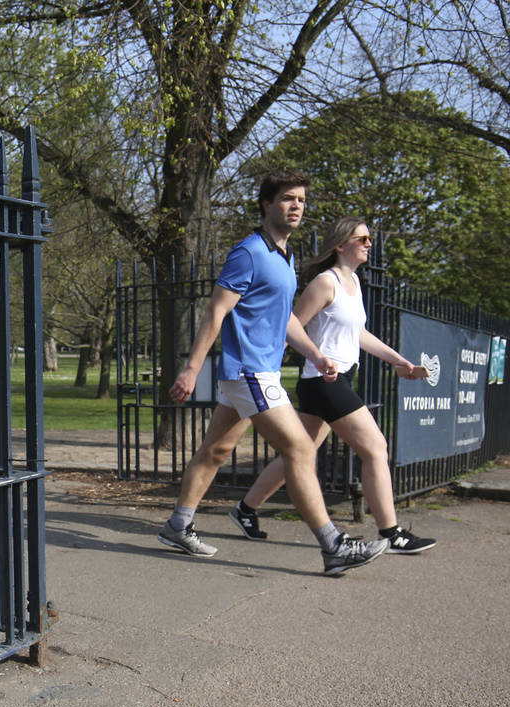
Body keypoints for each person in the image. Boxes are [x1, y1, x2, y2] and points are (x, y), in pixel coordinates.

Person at [159, 171, 390, 575]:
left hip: (254, 373)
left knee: (215, 451)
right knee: (301, 449)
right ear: (267, 205)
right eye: (287, 198)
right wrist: (192, 368)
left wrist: (316, 355)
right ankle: (333, 545)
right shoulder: (249, 253)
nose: (296, 205)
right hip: (250, 371)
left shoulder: (284, 257)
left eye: (301, 199)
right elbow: (217, 310)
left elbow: (284, 319)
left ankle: (178, 525)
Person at [229, 218, 436, 553]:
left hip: (338, 377)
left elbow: (358, 334)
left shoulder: (352, 283)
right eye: (363, 238)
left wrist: (399, 361)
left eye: (370, 239)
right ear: (341, 244)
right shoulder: (326, 283)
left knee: (300, 454)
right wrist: (275, 363)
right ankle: (391, 532)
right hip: (325, 381)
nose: (369, 243)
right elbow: (291, 323)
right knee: (376, 448)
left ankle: (245, 509)